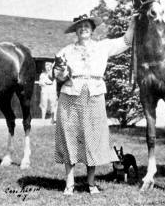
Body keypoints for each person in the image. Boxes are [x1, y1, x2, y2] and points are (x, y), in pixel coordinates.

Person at [52, 14, 135, 195]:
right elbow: (57, 74)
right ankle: (70, 183)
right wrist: (62, 72)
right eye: (80, 27)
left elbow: (127, 41)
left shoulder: (102, 46)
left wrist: (135, 20)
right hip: (71, 95)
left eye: (87, 26)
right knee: (69, 136)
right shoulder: (65, 50)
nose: (84, 29)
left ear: (92, 29)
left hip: (94, 94)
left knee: (93, 138)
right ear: (76, 30)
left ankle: (91, 183)